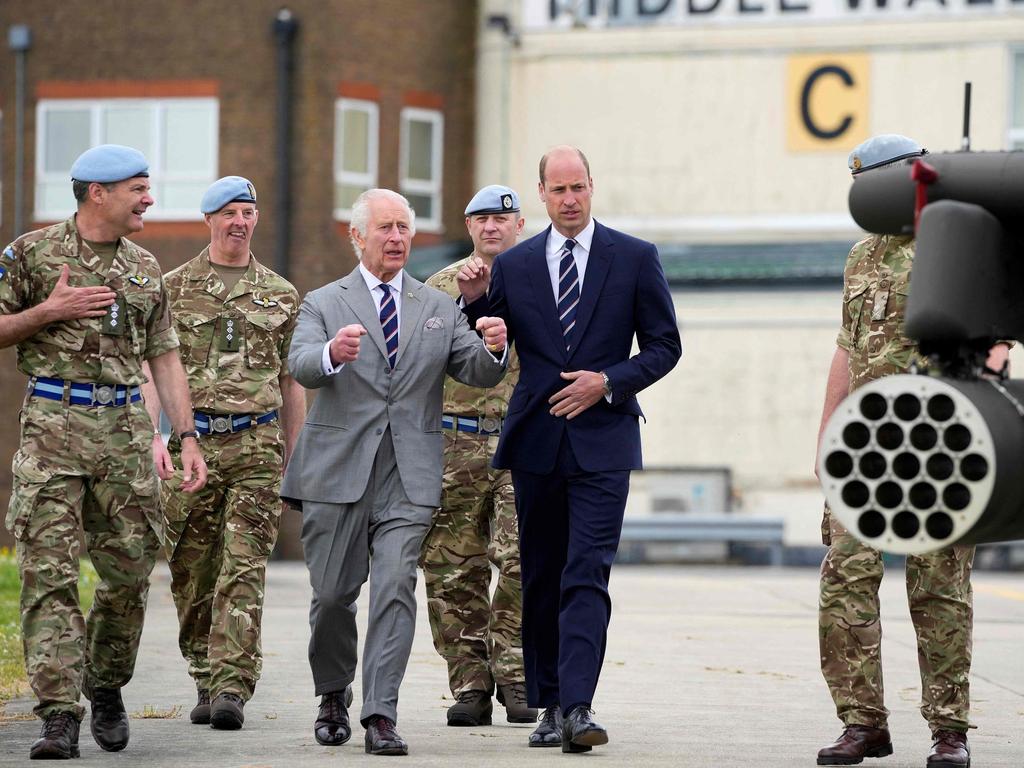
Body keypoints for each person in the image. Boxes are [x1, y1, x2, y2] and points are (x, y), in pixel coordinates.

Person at [458, 146, 681, 753]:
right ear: (542, 194)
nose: (570, 199)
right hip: (536, 439)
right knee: (541, 576)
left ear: (592, 187)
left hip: (604, 441)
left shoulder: (634, 258)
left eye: (578, 187)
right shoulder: (516, 264)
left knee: (587, 571)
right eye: (558, 190)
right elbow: (490, 347)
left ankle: (579, 707)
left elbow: (664, 347)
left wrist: (607, 381)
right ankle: (550, 704)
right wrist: (478, 304)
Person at [280, 188, 508, 756]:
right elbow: (301, 363)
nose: (397, 238)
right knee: (333, 595)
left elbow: (475, 370)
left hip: (410, 471)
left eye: (404, 227)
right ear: (358, 237)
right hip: (337, 470)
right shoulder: (323, 302)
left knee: (395, 586)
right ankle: (333, 693)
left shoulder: (437, 304)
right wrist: (333, 351)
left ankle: (381, 713)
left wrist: (492, 340)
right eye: (385, 228)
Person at [0, 144, 207, 760]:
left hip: (122, 433)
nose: (149, 199)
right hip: (51, 430)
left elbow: (164, 357)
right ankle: (58, 713)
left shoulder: (145, 267)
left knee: (129, 575)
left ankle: (106, 681)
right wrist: (48, 311)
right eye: (140, 188)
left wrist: (185, 435)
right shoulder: (31, 254)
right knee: (49, 576)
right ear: (98, 192)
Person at [815, 134, 1009, 768]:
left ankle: (949, 728)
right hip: (866, 445)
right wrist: (827, 433)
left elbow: (998, 343)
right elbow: (847, 348)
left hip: (936, 444)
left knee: (940, 588)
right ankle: (862, 721)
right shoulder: (861, 256)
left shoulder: (960, 242)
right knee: (845, 580)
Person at [141, 176, 304, 731]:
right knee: (191, 569)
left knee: (244, 565)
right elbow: (150, 370)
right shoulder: (171, 288)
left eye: (248, 212)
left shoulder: (281, 294)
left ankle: (233, 684)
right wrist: (152, 436)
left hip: (258, 445)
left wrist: (295, 453)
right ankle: (205, 674)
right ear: (209, 220)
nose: (240, 221)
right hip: (192, 444)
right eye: (229, 212)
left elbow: (291, 381)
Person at [421, 184, 536, 727]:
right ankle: (468, 682)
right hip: (453, 443)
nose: (492, 228)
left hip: (520, 441)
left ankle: (515, 673)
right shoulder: (437, 290)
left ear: (520, 225)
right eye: (481, 218)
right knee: (451, 568)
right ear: (468, 226)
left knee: (523, 560)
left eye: (502, 219)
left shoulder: (543, 279)